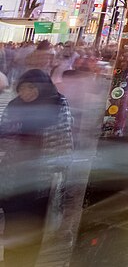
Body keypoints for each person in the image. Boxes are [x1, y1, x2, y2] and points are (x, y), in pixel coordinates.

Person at [0, 69, 74, 267]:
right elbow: (4, 137)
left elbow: (64, 140)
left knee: (33, 225)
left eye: (31, 87)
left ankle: (26, 261)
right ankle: (10, 261)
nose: (26, 92)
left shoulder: (58, 104)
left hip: (40, 178)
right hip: (12, 175)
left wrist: (60, 170)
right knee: (13, 224)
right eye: (22, 88)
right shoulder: (15, 106)